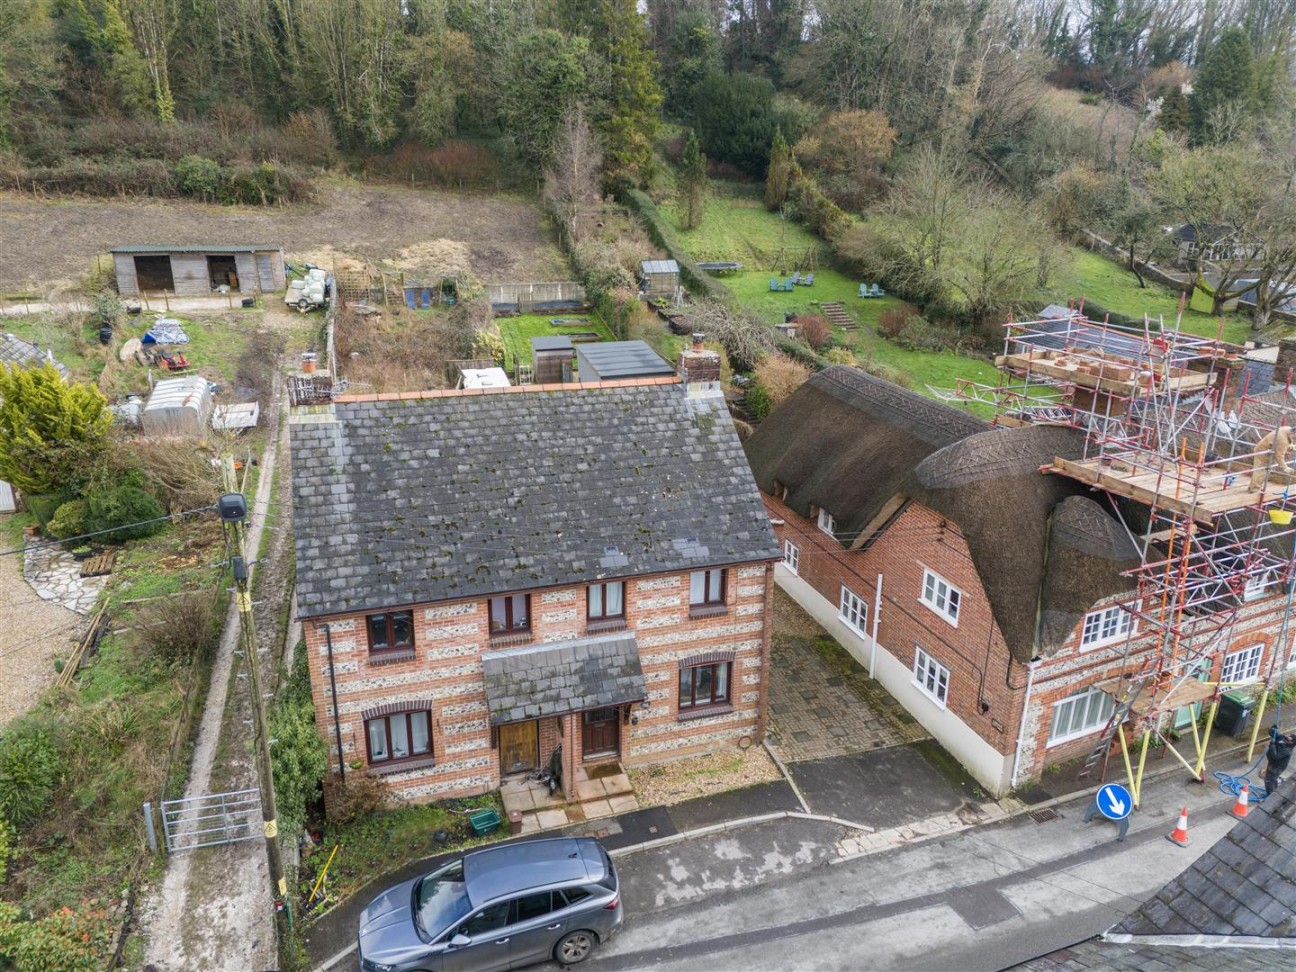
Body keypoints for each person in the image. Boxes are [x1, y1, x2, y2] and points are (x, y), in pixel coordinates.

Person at [1264, 726, 1296, 796]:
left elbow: (1275, 756)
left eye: (1288, 738)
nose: (1286, 737)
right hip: (1273, 764)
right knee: (1272, 780)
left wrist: (1272, 745)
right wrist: (1272, 729)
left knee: (1269, 782)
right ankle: (1275, 792)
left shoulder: (1287, 750)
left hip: (1276, 768)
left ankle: (1270, 798)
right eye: (1288, 736)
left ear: (1291, 742)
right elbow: (1274, 735)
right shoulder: (1283, 738)